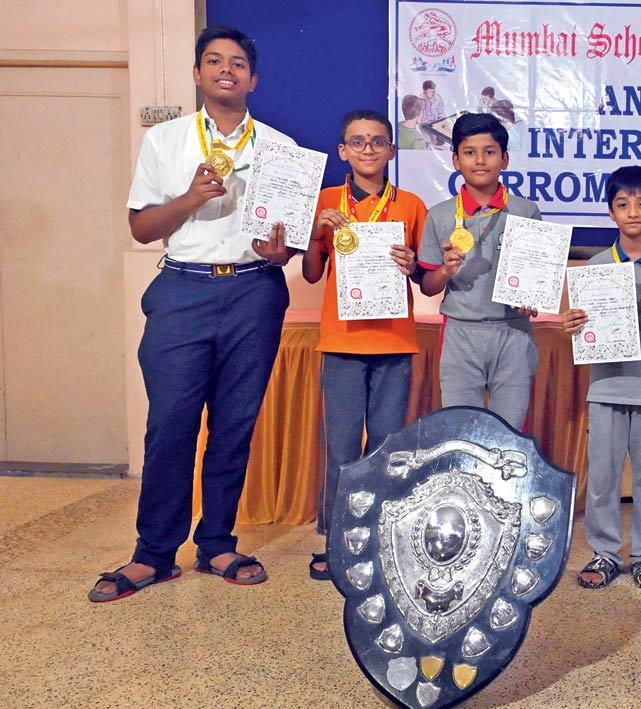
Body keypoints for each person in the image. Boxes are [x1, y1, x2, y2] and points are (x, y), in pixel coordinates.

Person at [90, 25, 295, 602]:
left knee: (235, 423)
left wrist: (283, 253)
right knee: (172, 423)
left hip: (255, 291)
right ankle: (153, 553)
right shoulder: (167, 141)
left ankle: (217, 542)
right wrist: (190, 199)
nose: (226, 69)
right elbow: (140, 226)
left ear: (253, 79)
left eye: (237, 63)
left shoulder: (279, 148)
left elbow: (290, 241)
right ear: (199, 74)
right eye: (214, 60)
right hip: (183, 291)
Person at [303, 110, 428, 580]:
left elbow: (422, 274)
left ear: (392, 150)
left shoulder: (411, 205)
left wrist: (412, 262)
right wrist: (320, 233)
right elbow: (314, 273)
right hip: (341, 341)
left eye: (378, 142)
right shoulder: (326, 202)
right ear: (343, 151)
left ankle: (377, 539)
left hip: (394, 340)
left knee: (385, 448)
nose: (368, 149)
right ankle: (335, 540)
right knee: (341, 448)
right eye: (358, 142)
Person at [562, 166, 641, 590]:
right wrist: (575, 322)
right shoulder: (596, 266)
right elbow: (582, 326)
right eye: (622, 204)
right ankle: (603, 551)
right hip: (607, 387)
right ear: (611, 212)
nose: (632, 212)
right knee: (602, 474)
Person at [414, 113, 541, 429]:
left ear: (505, 159)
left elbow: (536, 280)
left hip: (513, 331)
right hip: (461, 332)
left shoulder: (527, 211)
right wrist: (445, 270)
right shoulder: (440, 215)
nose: (480, 160)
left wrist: (531, 299)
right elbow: (428, 287)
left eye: (490, 152)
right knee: (461, 428)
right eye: (470, 153)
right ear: (456, 160)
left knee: (508, 433)